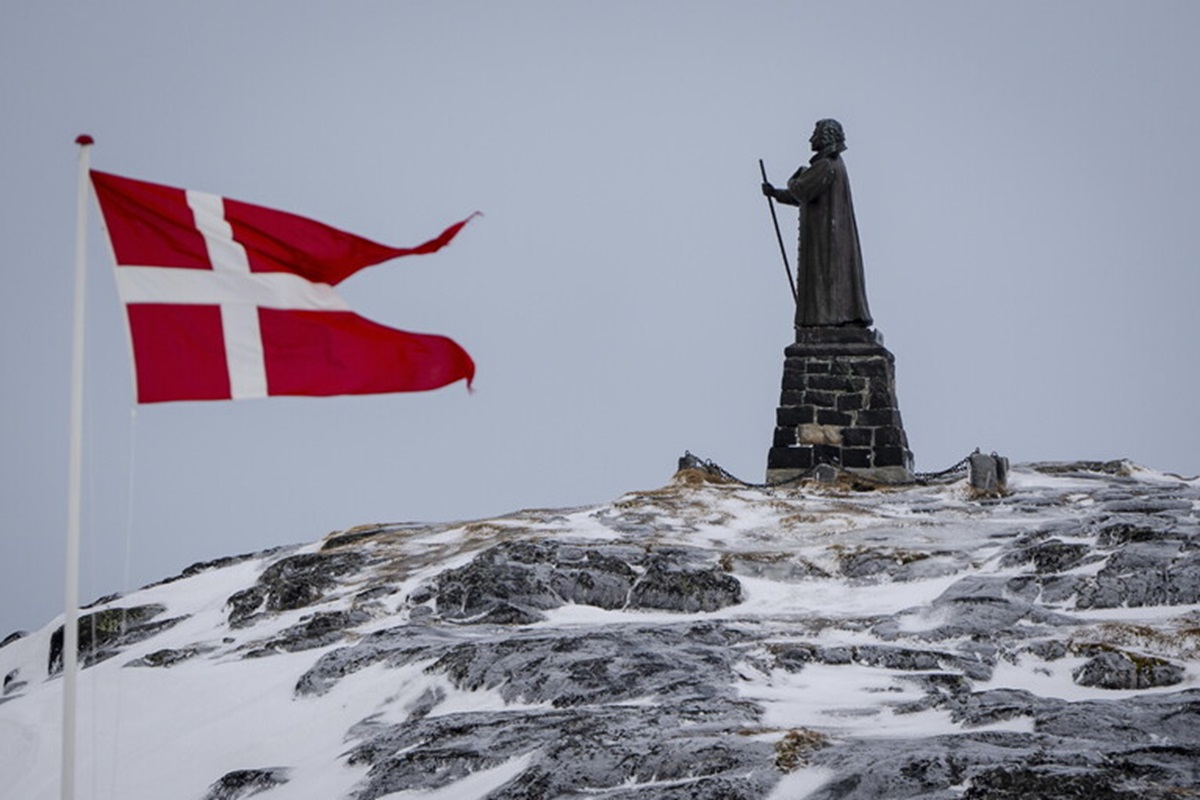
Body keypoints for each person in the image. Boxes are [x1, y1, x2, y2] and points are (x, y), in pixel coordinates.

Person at [762, 119, 873, 328]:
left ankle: (829, 318)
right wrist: (776, 193)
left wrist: (794, 178)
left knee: (826, 277)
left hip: (826, 238)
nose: (811, 139)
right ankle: (832, 317)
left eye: (815, 134)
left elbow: (801, 190)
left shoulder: (826, 165)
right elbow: (805, 195)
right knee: (829, 278)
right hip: (828, 235)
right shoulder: (832, 164)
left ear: (825, 137)